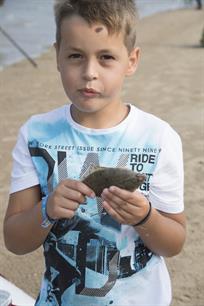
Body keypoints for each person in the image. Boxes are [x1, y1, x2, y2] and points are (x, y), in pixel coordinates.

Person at [3, 0, 186, 305]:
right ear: (57, 56)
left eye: (106, 58)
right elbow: (15, 241)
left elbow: (174, 242)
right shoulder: (36, 134)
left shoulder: (158, 137)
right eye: (75, 56)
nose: (89, 72)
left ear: (131, 60)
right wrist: (47, 209)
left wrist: (145, 217)